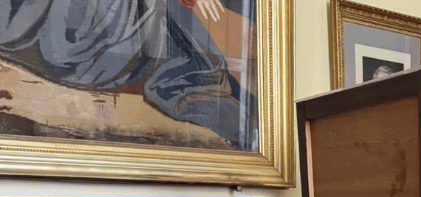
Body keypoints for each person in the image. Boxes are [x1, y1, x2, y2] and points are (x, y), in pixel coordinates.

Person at [0, 0, 252, 147]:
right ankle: (249, 129)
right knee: (180, 55)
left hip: (75, 33)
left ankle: (252, 123)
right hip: (70, 33)